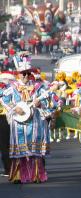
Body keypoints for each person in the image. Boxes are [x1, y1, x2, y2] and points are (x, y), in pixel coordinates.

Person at [1, 53, 52, 183]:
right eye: (23, 73)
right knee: (19, 150)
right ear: (18, 73)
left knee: (35, 151)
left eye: (27, 73)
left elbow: (51, 102)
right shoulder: (11, 88)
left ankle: (36, 175)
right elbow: (4, 99)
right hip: (18, 123)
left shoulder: (39, 87)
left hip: (35, 123)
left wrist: (40, 104)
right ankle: (18, 175)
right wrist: (14, 108)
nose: (25, 75)